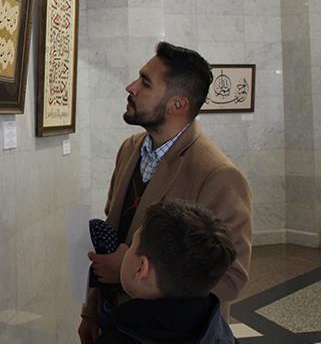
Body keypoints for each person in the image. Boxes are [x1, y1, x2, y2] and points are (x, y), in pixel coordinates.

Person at [78, 42, 253, 344]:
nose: (131, 87)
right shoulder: (129, 149)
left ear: (177, 105)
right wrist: (91, 312)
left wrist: (132, 271)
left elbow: (231, 278)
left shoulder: (219, 175)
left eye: (145, 82)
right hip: (117, 325)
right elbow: (110, 237)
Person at [96, 199, 239, 343]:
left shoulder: (118, 338)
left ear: (141, 268)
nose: (126, 249)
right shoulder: (220, 334)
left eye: (132, 244)